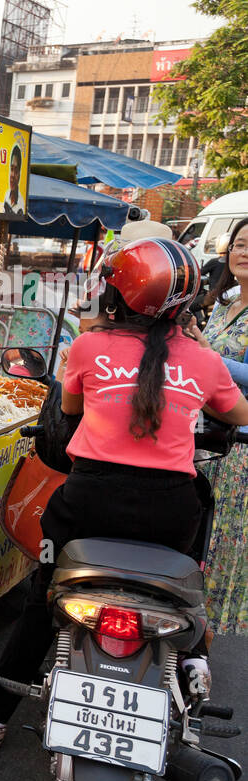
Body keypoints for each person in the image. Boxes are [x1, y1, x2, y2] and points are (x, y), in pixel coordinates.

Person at [0, 237, 248, 748]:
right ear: (185, 305)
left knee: (46, 595)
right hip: (170, 513)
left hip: (85, 506)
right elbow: (238, 417)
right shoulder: (204, 363)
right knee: (181, 585)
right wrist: (196, 355)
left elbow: (68, 412)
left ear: (116, 297)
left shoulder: (88, 347)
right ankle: (193, 660)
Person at [185, 217, 248, 635]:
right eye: (241, 243)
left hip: (241, 448)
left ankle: (205, 642)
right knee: (196, 537)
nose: (245, 251)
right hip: (206, 440)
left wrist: (207, 354)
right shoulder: (224, 303)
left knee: (224, 547)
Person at [4, 143, 24, 215]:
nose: (12, 175)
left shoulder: (22, 204)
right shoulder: (6, 196)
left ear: (19, 174)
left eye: (16, 171)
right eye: (11, 169)